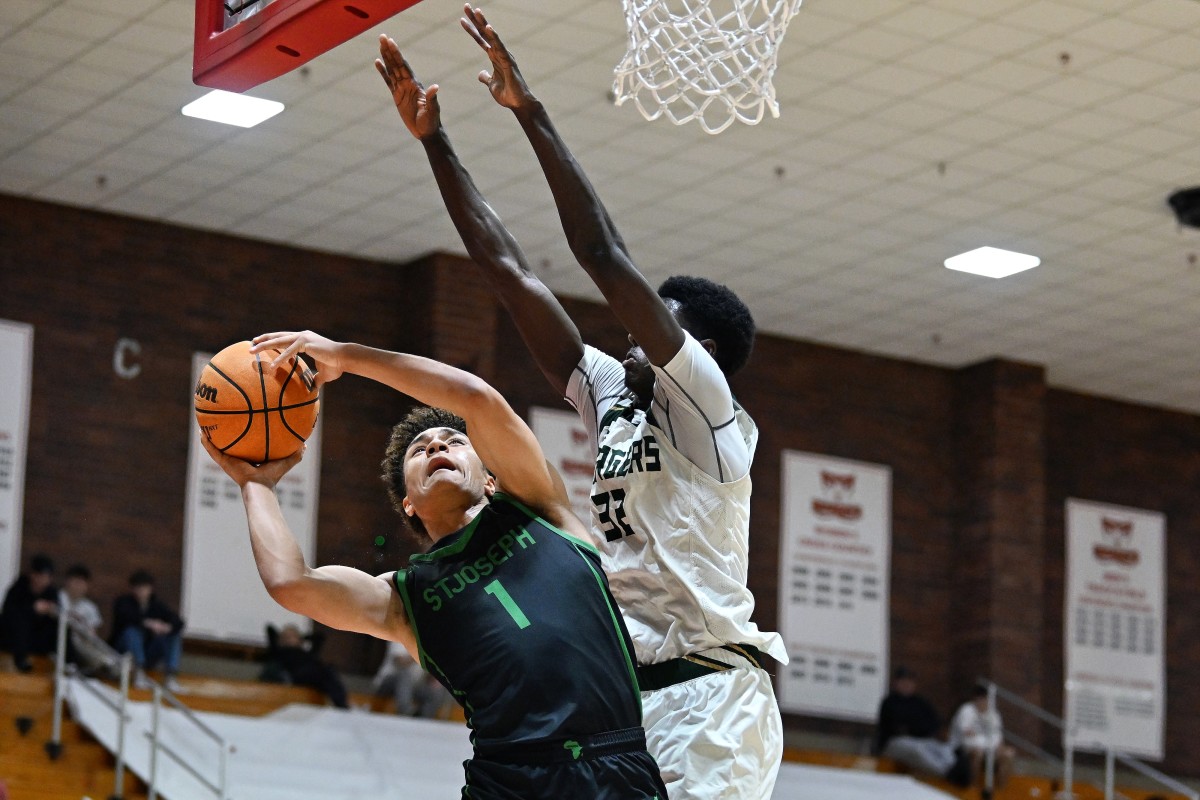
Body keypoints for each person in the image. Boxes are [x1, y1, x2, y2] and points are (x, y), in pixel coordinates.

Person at [376, 10, 787, 798]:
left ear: (692, 349)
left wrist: (531, 115)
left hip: (715, 699)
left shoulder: (708, 410)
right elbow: (509, 272)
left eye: (653, 329)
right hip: (620, 703)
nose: (629, 341)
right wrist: (436, 142)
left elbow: (599, 253)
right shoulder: (611, 391)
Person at [202, 330, 668, 800]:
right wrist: (256, 485)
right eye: (419, 451)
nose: (436, 449)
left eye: (453, 441)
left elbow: (476, 399)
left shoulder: (540, 508)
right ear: (407, 503)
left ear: (489, 479)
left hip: (617, 764)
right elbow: (291, 583)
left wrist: (347, 356)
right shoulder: (406, 598)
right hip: (509, 781)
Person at [875, 667, 970, 787]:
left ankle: (956, 769)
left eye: (910, 681)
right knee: (918, 750)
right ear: (896, 683)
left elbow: (934, 723)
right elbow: (898, 727)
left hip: (922, 739)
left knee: (943, 748)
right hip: (894, 743)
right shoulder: (889, 702)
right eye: (903, 681)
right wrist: (918, 727)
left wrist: (920, 728)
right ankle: (946, 773)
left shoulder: (920, 702)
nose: (907, 684)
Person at [110, 569, 185, 692]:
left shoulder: (156, 606)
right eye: (138, 588)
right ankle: (138, 672)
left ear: (150, 589)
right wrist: (148, 624)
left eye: (144, 588)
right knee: (132, 632)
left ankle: (170, 676)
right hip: (124, 651)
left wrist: (167, 628)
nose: (142, 591)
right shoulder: (123, 602)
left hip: (148, 652)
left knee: (174, 636)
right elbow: (126, 617)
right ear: (132, 589)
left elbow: (178, 621)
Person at [261, 622, 349, 709]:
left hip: (315, 674)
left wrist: (301, 638)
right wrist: (283, 637)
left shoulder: (307, 653)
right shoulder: (278, 652)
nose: (289, 639)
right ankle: (341, 706)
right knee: (321, 673)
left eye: (293, 636)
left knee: (329, 670)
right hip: (297, 674)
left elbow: (320, 637)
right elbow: (269, 628)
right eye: (286, 636)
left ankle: (341, 705)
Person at [949, 683, 1017, 789]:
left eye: (985, 700)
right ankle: (973, 786)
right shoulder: (966, 711)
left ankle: (1001, 790)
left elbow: (998, 737)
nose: (983, 703)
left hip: (987, 747)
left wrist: (999, 748)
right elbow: (967, 735)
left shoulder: (993, 714)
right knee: (977, 753)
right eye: (981, 699)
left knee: (1008, 754)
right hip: (963, 748)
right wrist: (988, 742)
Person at [0, 554, 58, 672]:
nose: (41, 580)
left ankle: (69, 663)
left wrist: (52, 611)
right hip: (14, 640)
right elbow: (8, 614)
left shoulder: (52, 593)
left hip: (39, 641)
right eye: (39, 576)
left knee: (61, 626)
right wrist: (32, 609)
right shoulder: (18, 589)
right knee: (20, 621)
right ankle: (21, 660)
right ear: (32, 575)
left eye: (45, 577)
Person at [373, 639, 451, 718]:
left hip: (414, 686)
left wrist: (434, 677)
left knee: (436, 687)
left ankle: (423, 719)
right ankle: (405, 713)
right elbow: (399, 662)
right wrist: (421, 655)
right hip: (389, 682)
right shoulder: (399, 633)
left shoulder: (427, 642)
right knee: (405, 675)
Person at [58, 564, 110, 675]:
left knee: (100, 652)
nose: (79, 586)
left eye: (82, 583)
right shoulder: (58, 598)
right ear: (68, 581)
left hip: (82, 642)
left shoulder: (90, 607)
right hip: (61, 641)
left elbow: (92, 633)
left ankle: (109, 664)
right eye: (76, 582)